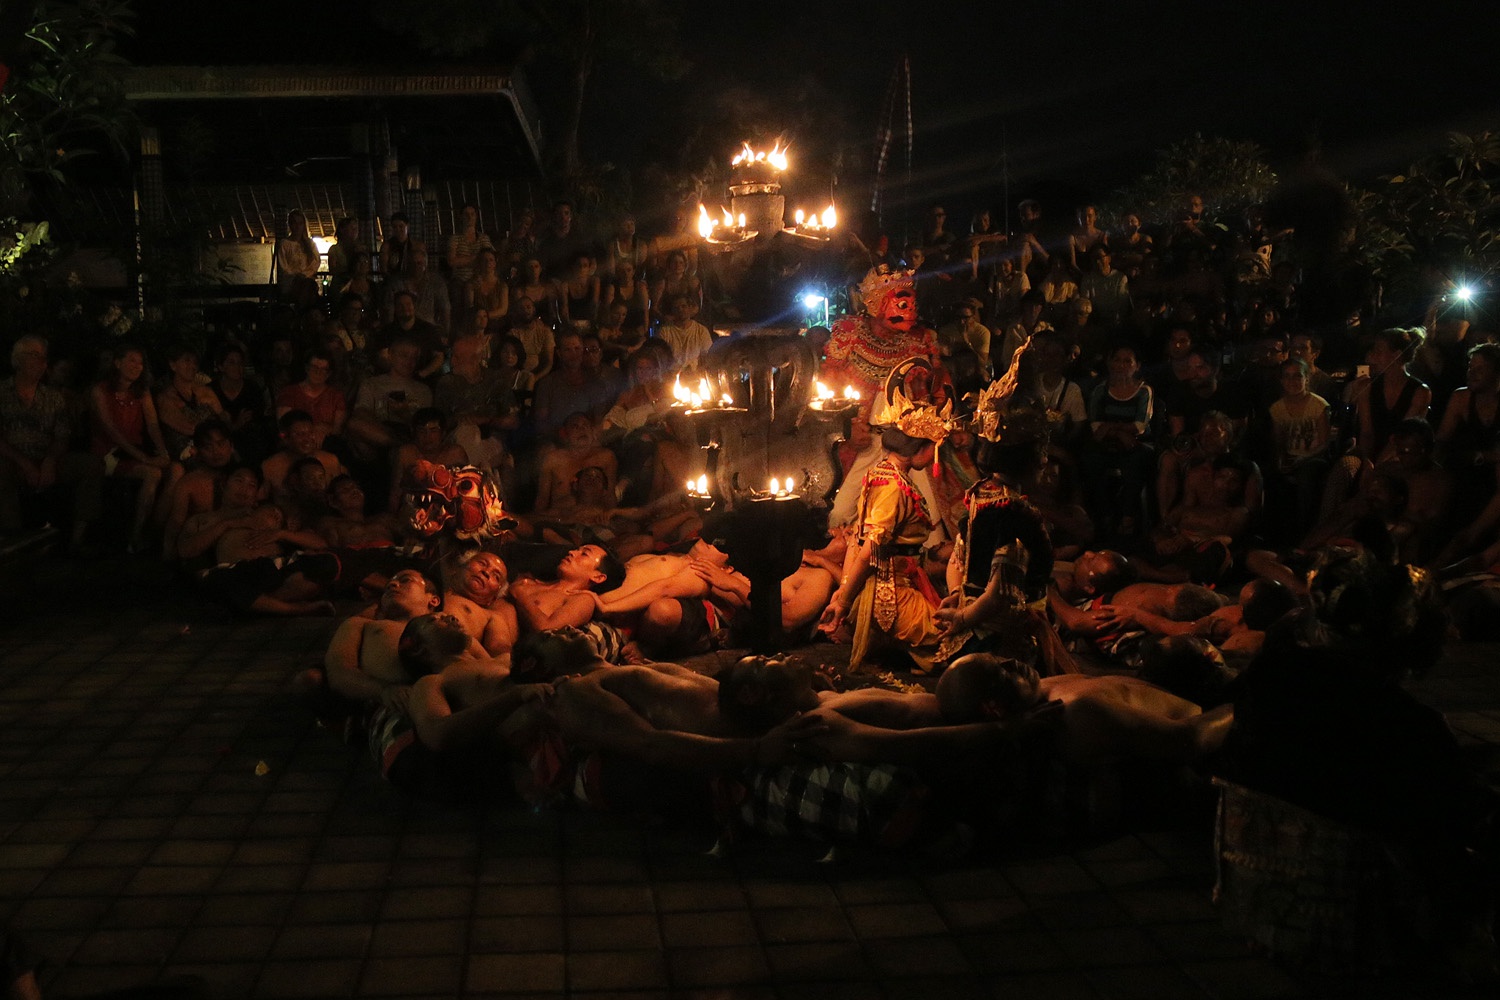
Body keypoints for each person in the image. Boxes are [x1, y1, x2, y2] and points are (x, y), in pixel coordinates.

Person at [935, 376, 1075, 676]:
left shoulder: (980, 492)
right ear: (1029, 461)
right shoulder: (1016, 512)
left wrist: (960, 593)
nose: (1045, 462)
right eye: (1041, 455)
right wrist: (963, 617)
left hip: (975, 619)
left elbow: (961, 557)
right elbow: (1000, 594)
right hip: (1001, 638)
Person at [819, 370, 952, 673]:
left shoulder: (885, 474)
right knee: (958, 645)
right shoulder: (892, 486)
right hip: (892, 593)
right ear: (918, 447)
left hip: (903, 583)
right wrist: (843, 602)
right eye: (933, 446)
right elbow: (867, 549)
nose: (935, 454)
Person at [937, 653, 1231, 765]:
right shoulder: (1077, 713)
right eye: (1001, 673)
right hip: (1217, 741)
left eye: (999, 658)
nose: (1012, 662)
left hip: (1201, 704)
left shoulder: (1042, 688)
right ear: (994, 708)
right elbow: (1191, 740)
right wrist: (1244, 704)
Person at [177, 464, 337, 616]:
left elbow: (320, 543)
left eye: (252, 485)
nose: (244, 489)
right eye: (239, 481)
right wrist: (226, 525)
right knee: (217, 581)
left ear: (257, 494)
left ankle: (259, 605)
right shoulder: (203, 520)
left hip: (273, 571)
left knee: (327, 563)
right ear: (224, 483)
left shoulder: (268, 512)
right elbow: (185, 550)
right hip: (236, 576)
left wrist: (281, 533)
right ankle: (290, 609)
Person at [0, 335, 103, 552]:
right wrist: (24, 463)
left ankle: (77, 539)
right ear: (17, 360)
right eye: (34, 356)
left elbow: (61, 435)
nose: (41, 363)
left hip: (47, 456)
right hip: (12, 459)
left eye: (44, 358)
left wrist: (49, 461)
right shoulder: (2, 393)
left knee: (91, 465)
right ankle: (14, 540)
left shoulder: (53, 397)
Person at [90, 342, 179, 552]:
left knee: (175, 470)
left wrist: (162, 451)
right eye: (131, 360)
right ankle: (135, 535)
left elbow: (153, 424)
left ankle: (156, 527)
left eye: (140, 362)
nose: (136, 366)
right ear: (118, 363)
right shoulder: (100, 390)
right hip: (110, 453)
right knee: (153, 473)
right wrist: (147, 458)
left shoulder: (141, 392)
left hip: (136, 452)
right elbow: (112, 432)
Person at [159, 418, 236, 561]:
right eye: (208, 447)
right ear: (198, 451)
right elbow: (176, 521)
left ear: (231, 446)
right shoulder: (188, 483)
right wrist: (168, 550)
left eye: (221, 444)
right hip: (199, 550)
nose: (216, 451)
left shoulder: (243, 476)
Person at [508, 544, 627, 632]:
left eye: (584, 554)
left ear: (598, 577)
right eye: (576, 549)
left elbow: (547, 630)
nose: (571, 552)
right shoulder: (533, 582)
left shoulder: (583, 600)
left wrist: (520, 595)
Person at [155, 343, 227, 460]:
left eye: (195, 362)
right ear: (173, 365)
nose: (192, 366)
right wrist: (208, 410)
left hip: (215, 446)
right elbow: (190, 428)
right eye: (187, 361)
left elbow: (224, 419)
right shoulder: (165, 398)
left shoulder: (206, 391)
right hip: (186, 453)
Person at [440, 548, 518, 656]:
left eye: (496, 576)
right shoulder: (431, 589)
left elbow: (501, 654)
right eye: (482, 563)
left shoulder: (492, 617)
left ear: (493, 598)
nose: (486, 572)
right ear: (459, 568)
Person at [276, 348, 347, 451]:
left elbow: (338, 429)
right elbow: (283, 427)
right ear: (306, 368)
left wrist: (327, 431)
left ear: (329, 373)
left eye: (323, 369)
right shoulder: (289, 393)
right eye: (314, 367)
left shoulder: (336, 396)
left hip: (326, 445)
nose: (318, 372)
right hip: (296, 445)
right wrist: (314, 431)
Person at [276, 208, 320, 308]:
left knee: (308, 286)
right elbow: (283, 265)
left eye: (300, 223)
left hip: (307, 279)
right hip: (291, 281)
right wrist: (295, 275)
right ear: (290, 225)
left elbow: (315, 262)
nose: (297, 227)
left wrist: (305, 274)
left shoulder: (310, 244)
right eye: (294, 223)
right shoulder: (285, 244)